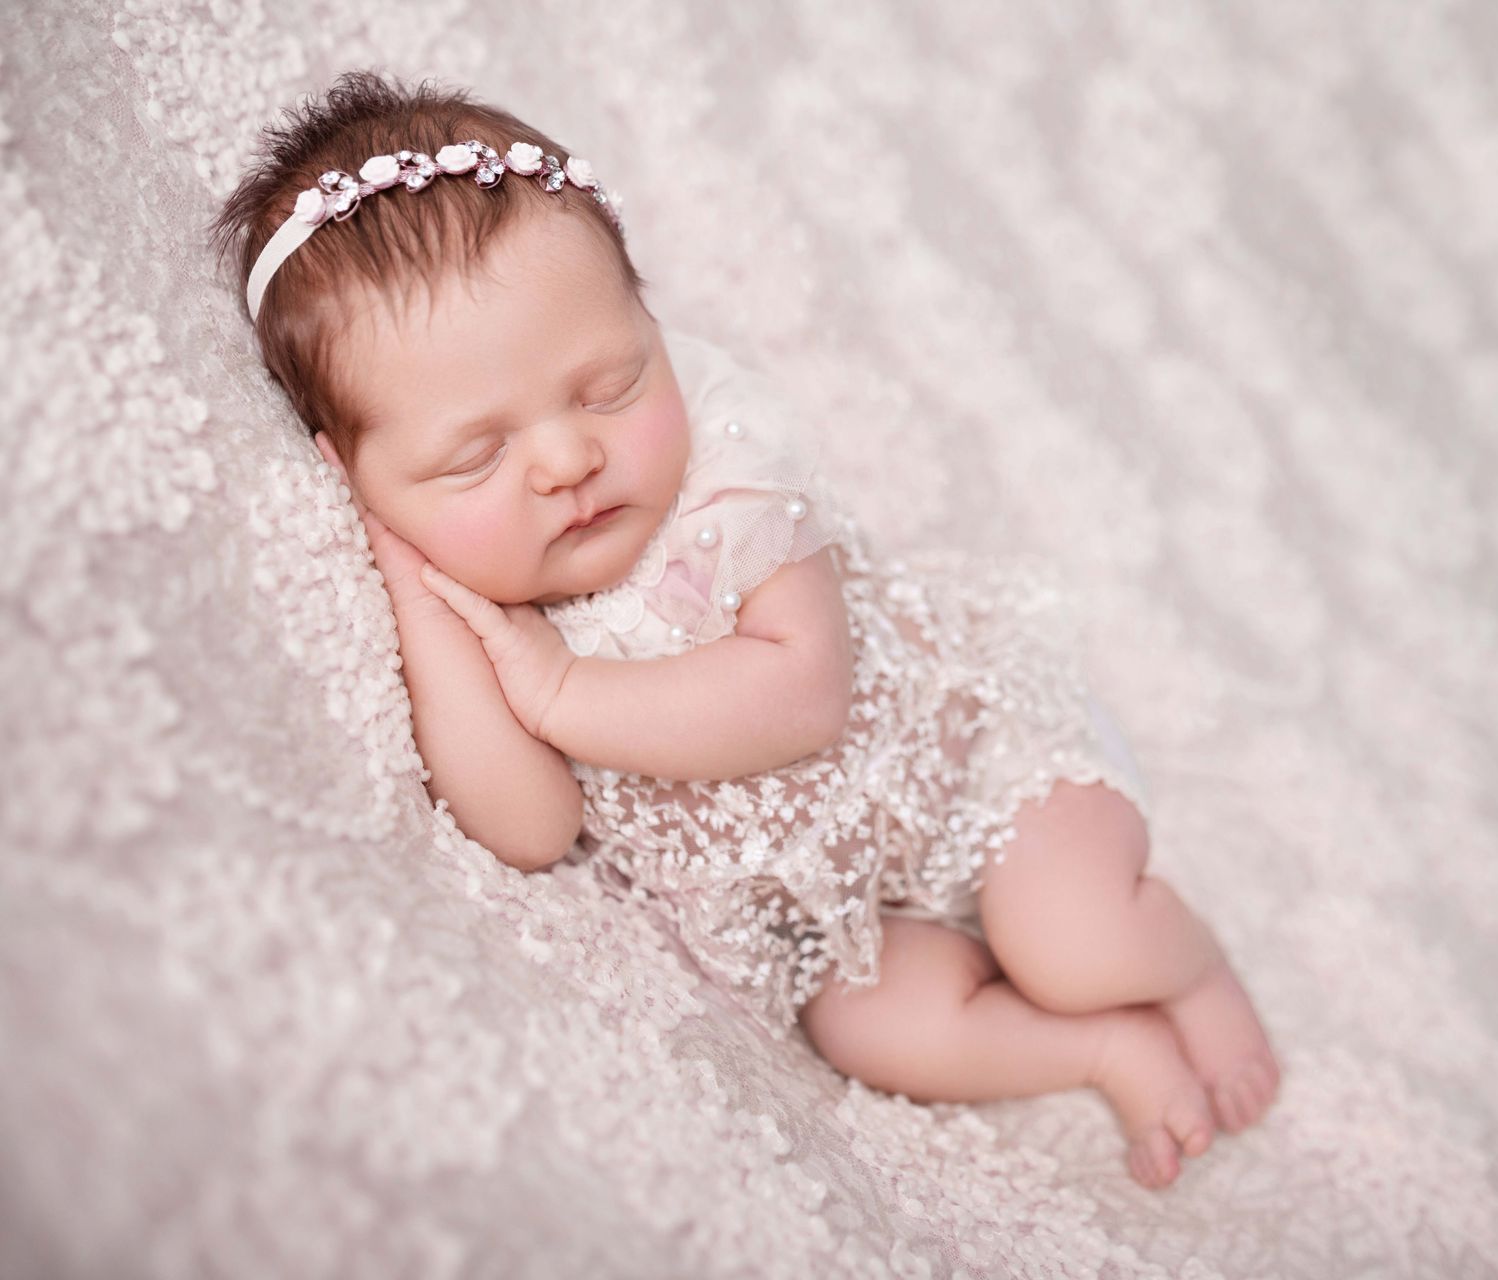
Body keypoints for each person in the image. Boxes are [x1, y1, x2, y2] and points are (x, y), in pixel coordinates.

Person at [211, 69, 1279, 1190]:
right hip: (857, 911)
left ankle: (1193, 972)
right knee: (870, 1029)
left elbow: (804, 692)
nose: (568, 458)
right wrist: (415, 582)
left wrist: (562, 691)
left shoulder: (723, 466)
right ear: (360, 478)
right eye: (474, 457)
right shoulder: (482, 596)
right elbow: (528, 826)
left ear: (653, 327)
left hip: (981, 768)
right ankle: (1104, 1048)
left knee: (1072, 942)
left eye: (609, 386)